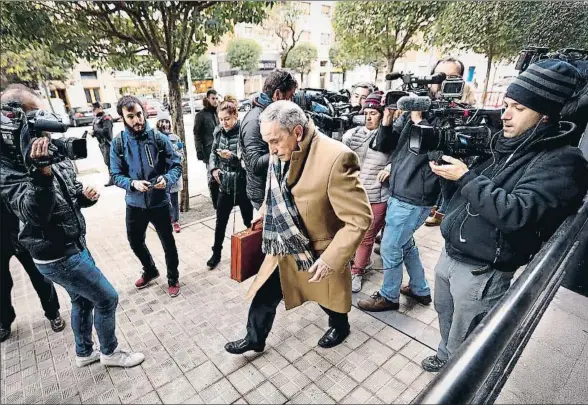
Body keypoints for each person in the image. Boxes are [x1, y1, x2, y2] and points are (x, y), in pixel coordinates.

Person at [422, 60, 588, 372]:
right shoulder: (509, 142)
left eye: (519, 108)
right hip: (452, 255)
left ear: (546, 113)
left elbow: (517, 213)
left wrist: (466, 177)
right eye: (507, 104)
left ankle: (457, 380)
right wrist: (448, 169)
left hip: (482, 271)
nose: (505, 114)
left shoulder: (564, 161)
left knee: (468, 337)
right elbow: (467, 195)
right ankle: (445, 357)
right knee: (446, 316)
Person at [0, 86, 144, 368]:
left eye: (43, 113)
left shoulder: (51, 146)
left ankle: (83, 352)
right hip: (56, 253)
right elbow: (34, 214)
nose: (43, 122)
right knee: (106, 298)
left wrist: (83, 197)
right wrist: (40, 173)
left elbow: (69, 194)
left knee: (81, 299)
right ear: (11, 120)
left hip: (75, 241)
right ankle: (110, 352)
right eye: (34, 116)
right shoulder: (8, 164)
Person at [225, 101, 372, 355]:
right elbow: (277, 191)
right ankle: (254, 338)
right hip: (284, 241)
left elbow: (360, 218)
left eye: (275, 141)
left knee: (329, 299)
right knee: (266, 292)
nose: (270, 151)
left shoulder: (337, 157)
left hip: (318, 250)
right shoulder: (281, 150)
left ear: (297, 132)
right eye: (267, 142)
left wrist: (331, 259)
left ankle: (340, 325)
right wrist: (263, 212)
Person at [357, 57, 466, 313]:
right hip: (397, 189)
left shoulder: (453, 115)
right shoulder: (418, 107)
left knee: (391, 246)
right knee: (404, 243)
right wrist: (388, 118)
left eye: (448, 78)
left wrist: (419, 122)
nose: (439, 83)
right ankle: (420, 289)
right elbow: (386, 146)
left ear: (459, 83)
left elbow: (440, 159)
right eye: (437, 76)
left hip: (416, 196)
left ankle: (389, 295)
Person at [110, 95, 183, 297]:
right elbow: (115, 175)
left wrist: (167, 179)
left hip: (159, 201)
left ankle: (173, 278)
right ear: (123, 118)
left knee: (168, 242)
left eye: (139, 114)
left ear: (144, 112)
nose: (137, 120)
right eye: (131, 116)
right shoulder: (118, 143)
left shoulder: (158, 138)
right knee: (135, 241)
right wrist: (132, 183)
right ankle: (150, 269)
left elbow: (176, 164)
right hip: (134, 203)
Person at [342, 92, 391, 293]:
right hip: (354, 195)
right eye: (366, 113)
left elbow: (402, 159)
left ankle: (357, 271)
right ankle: (351, 262)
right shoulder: (353, 134)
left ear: (382, 115)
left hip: (377, 196)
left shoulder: (391, 136)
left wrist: (390, 167)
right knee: (350, 232)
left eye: (374, 113)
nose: (369, 117)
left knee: (366, 236)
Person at [0, 190, 65, 342]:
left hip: (22, 232)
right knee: (1, 283)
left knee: (39, 275)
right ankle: (4, 321)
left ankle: (53, 312)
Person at [240, 70, 298, 210]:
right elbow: (255, 164)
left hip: (276, 188)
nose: (291, 102)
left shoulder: (272, 114)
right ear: (277, 94)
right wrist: (288, 147)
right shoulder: (254, 120)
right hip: (263, 195)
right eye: (290, 97)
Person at [207, 96, 254, 269]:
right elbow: (212, 153)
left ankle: (254, 252)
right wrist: (213, 169)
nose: (224, 122)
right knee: (220, 224)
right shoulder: (218, 131)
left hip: (242, 185)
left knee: (249, 222)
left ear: (235, 116)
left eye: (227, 119)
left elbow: (247, 160)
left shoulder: (243, 132)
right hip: (225, 185)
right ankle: (216, 253)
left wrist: (232, 158)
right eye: (220, 119)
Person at [155, 110, 184, 233]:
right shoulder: (155, 138)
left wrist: (175, 151)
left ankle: (175, 221)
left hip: (174, 174)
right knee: (162, 200)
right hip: (161, 175)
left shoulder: (175, 138)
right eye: (162, 121)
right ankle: (165, 221)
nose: (165, 124)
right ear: (158, 123)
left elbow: (181, 156)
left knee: (174, 199)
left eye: (167, 121)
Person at [194, 89, 220, 208]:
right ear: (208, 99)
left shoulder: (217, 113)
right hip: (209, 151)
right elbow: (197, 134)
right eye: (213, 98)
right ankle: (215, 201)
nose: (215, 101)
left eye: (216, 98)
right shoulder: (201, 115)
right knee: (212, 176)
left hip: (221, 150)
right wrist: (199, 151)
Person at [90, 102, 114, 187]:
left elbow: (106, 131)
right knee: (107, 161)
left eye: (94, 109)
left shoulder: (106, 117)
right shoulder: (96, 118)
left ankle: (113, 178)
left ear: (99, 108)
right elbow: (96, 129)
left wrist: (95, 131)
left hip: (107, 142)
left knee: (109, 161)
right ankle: (114, 177)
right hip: (101, 143)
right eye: (92, 110)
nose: (93, 111)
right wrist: (93, 133)